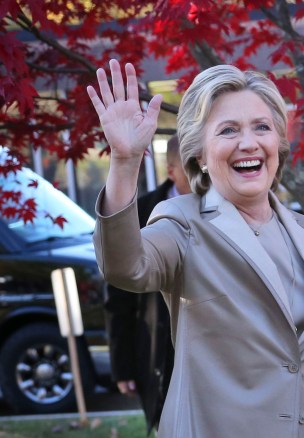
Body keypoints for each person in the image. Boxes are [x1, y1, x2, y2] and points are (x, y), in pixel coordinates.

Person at [87, 60, 304, 437]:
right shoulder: (182, 221)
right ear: (200, 156)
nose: (249, 143)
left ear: (278, 143)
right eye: (228, 130)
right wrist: (124, 163)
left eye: (261, 127)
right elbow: (126, 267)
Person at [103, 135, 189, 433]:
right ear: (171, 170)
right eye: (188, 167)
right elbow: (118, 296)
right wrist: (122, 365)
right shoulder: (140, 212)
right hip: (156, 346)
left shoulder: (223, 210)